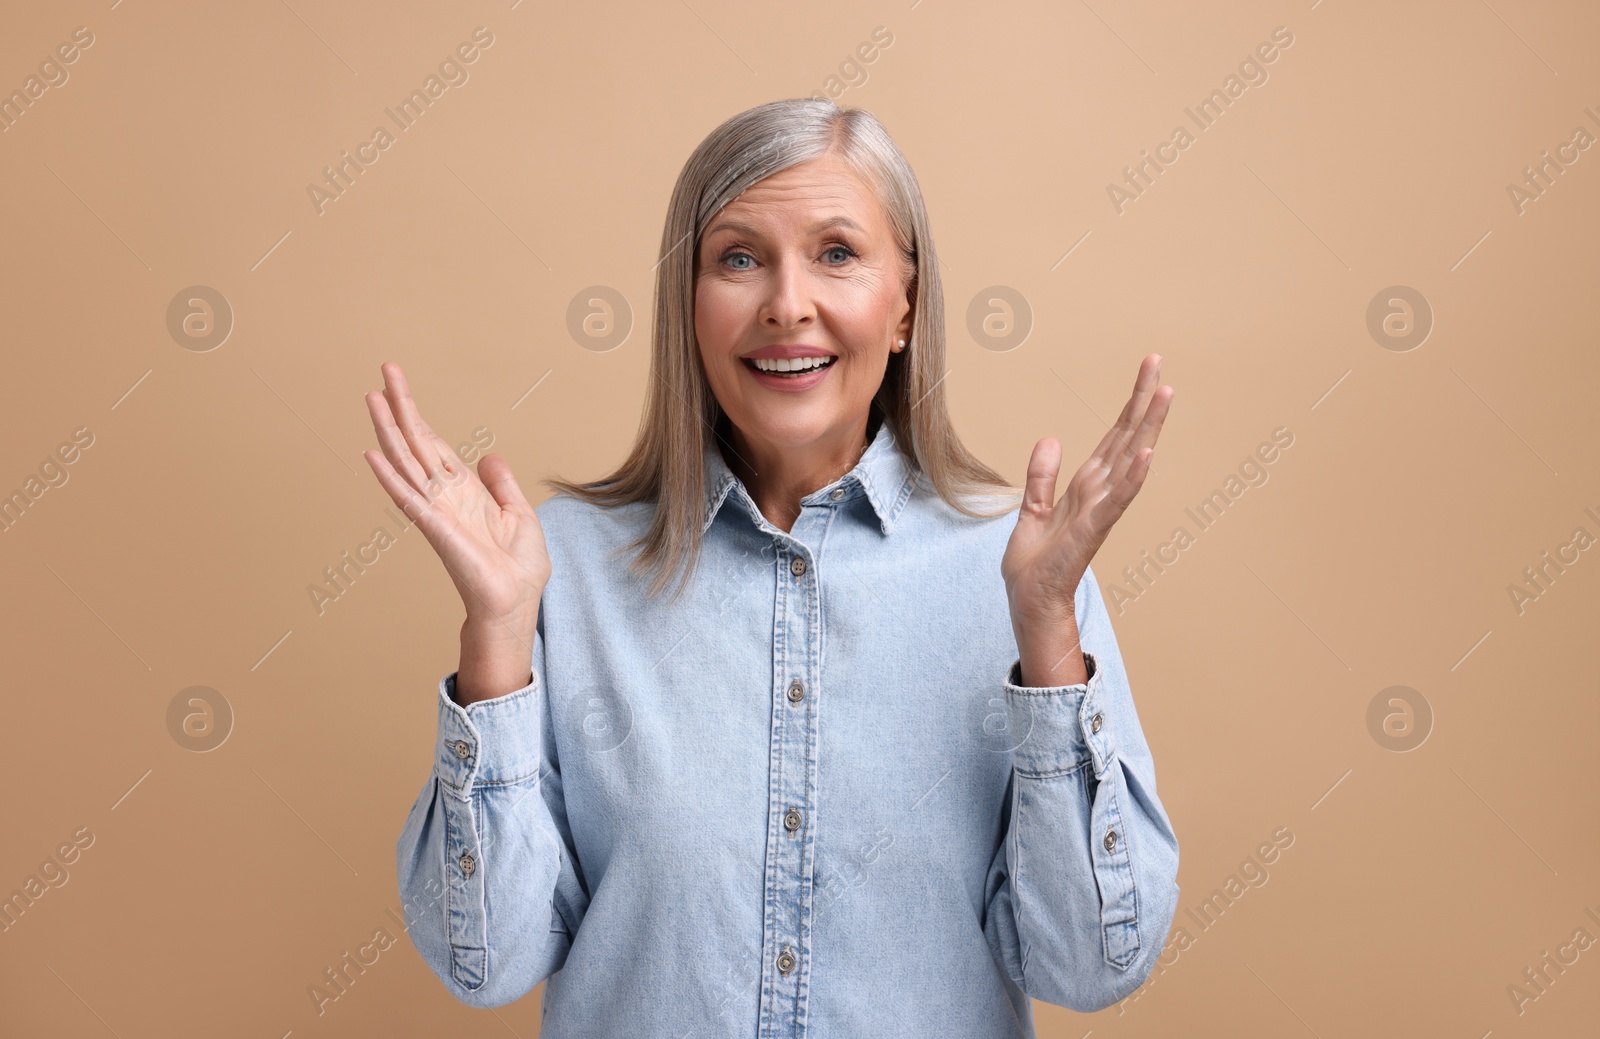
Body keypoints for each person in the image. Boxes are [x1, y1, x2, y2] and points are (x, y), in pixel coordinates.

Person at [366, 97, 1178, 1036]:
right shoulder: (558, 568)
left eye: (837, 253)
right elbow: (486, 964)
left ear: (905, 302)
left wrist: (1046, 631)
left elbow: (1090, 966)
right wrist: (497, 634)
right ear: (690, 304)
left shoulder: (1023, 567)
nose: (787, 303)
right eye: (739, 258)